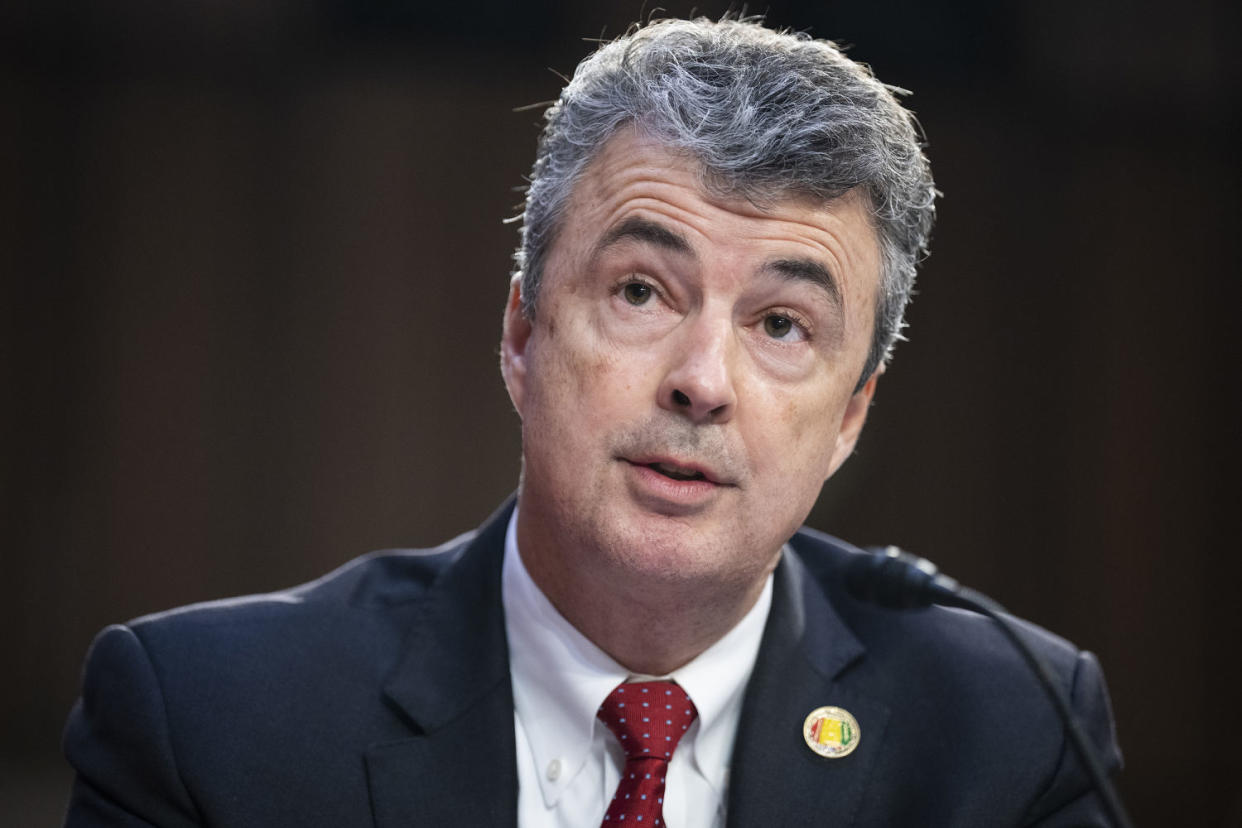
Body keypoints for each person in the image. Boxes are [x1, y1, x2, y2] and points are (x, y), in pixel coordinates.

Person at [63, 17, 1122, 827]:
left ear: (850, 417)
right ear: (522, 335)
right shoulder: (209, 724)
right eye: (641, 294)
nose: (701, 381)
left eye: (784, 324)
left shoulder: (1013, 734)